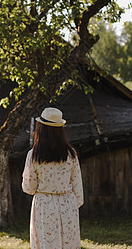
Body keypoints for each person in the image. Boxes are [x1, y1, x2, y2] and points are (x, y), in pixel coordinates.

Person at [22, 107, 84, 249]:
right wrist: (73, 204)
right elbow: (78, 186)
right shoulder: (71, 154)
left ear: (40, 129)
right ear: (61, 130)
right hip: (68, 203)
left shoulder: (33, 156)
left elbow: (29, 188)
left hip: (44, 205)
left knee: (46, 244)